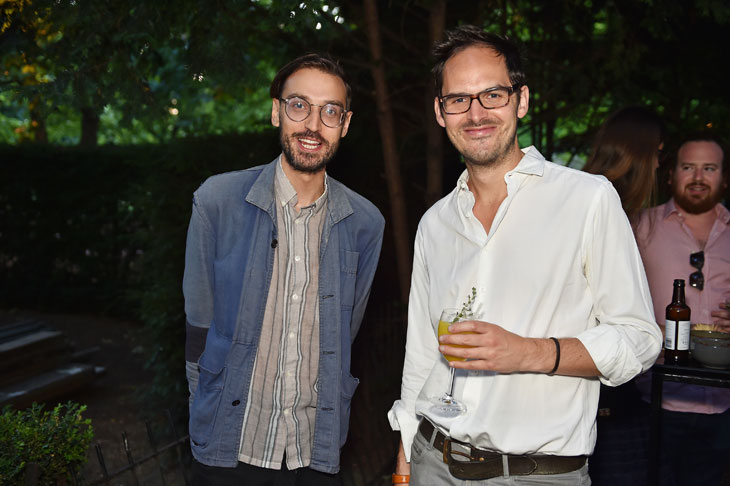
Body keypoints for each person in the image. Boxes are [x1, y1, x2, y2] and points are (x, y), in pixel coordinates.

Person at [387, 25, 662, 486]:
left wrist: (528, 353)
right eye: (459, 99)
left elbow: (639, 339)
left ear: (522, 100)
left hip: (536, 474)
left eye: (492, 94)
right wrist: (405, 452)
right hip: (432, 459)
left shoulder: (587, 199)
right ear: (440, 111)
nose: (476, 113)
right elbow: (420, 355)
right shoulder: (435, 223)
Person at [183, 53, 385, 485]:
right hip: (228, 444)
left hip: (314, 450)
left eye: (329, 111)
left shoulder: (365, 224)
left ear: (345, 124)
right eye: (299, 105)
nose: (313, 124)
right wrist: (202, 415)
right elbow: (198, 326)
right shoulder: (217, 202)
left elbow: (346, 332)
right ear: (277, 111)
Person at [634, 132, 730, 485]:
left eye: (709, 168)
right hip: (652, 399)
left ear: (724, 177)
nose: (699, 177)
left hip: (723, 404)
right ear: (671, 174)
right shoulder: (640, 227)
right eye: (688, 167)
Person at [581, 106, 666, 486]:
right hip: (598, 388)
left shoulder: (588, 196)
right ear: (640, 156)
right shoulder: (600, 204)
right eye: (659, 154)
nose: (661, 166)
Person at [583, 106, 666, 222]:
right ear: (637, 154)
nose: (657, 164)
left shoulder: (585, 193)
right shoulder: (604, 202)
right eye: (656, 153)